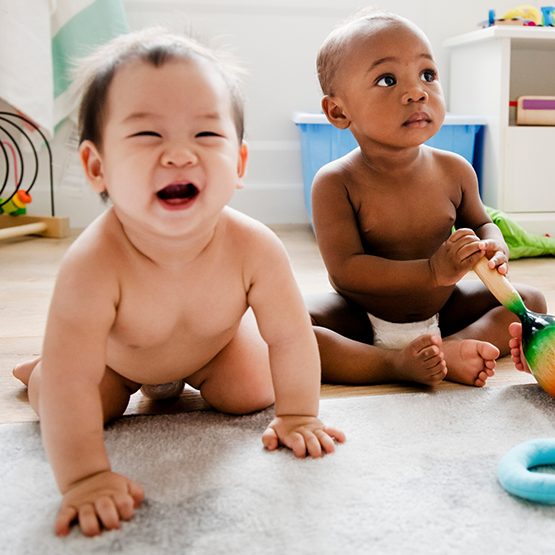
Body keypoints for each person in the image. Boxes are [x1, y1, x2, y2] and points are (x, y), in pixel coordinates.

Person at [13, 28, 345, 538]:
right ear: (97, 167)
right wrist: (84, 478)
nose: (179, 155)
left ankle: (209, 377)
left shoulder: (254, 246)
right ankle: (42, 365)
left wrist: (299, 414)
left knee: (254, 388)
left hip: (212, 352)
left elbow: (290, 336)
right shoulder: (92, 265)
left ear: (238, 164)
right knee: (73, 396)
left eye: (206, 135)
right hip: (115, 362)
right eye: (148, 135)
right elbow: (71, 386)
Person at [306, 8, 547, 388]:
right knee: (291, 328)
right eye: (387, 79)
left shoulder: (455, 169)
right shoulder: (335, 182)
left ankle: (450, 348)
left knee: (530, 301)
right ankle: (392, 363)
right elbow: (346, 270)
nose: (418, 91)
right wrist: (432, 271)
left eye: (428, 75)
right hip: (362, 316)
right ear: (338, 111)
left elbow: (481, 222)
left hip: (443, 306)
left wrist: (494, 246)